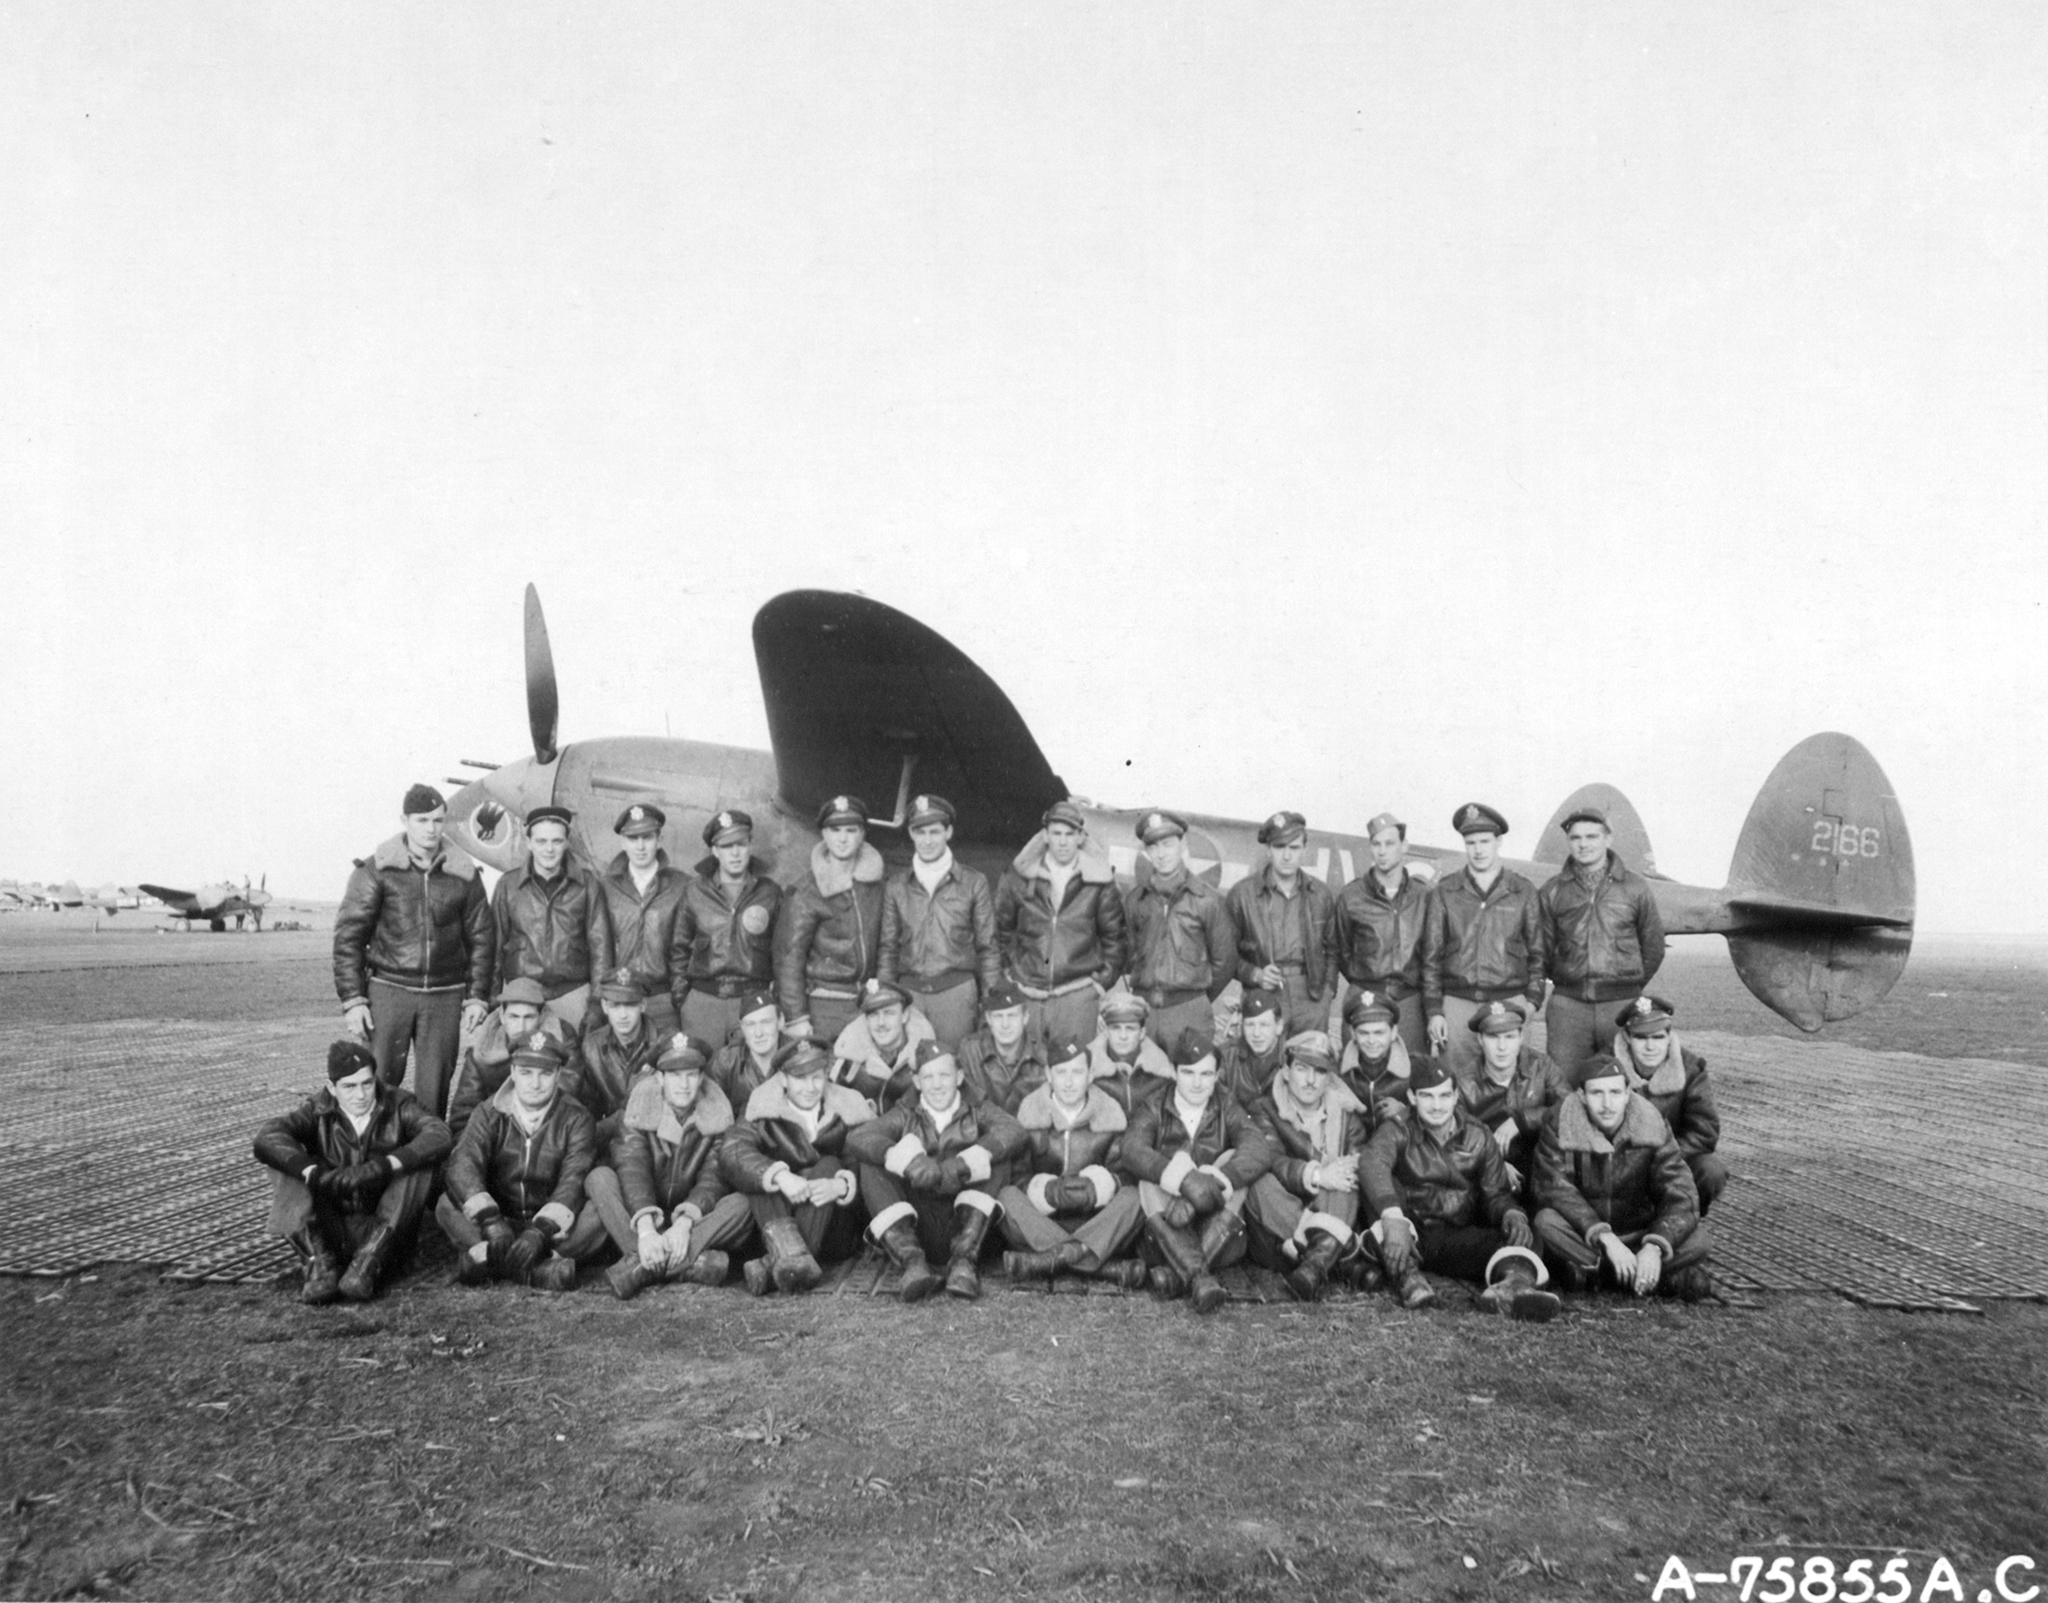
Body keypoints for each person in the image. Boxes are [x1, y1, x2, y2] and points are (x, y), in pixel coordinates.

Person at [332, 783, 495, 1121]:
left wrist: (478, 996)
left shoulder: (463, 873)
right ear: (404, 820)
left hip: (445, 996)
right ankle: (371, 1165)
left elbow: (481, 938)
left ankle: (427, 1168)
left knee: (434, 1093)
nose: (431, 829)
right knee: (374, 1084)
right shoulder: (375, 870)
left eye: (438, 821)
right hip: (389, 990)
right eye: (422, 820)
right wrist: (353, 1000)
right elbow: (349, 937)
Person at [1358, 1055, 1559, 1320]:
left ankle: (1511, 1288)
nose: (1437, 1105)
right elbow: (1372, 1162)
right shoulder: (1397, 1128)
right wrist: (1394, 1218)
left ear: (1455, 1096)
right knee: (1381, 1193)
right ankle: (1408, 1278)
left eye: (1444, 1096)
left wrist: (1511, 1214)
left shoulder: (1478, 1134)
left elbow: (1495, 1194)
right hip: (1409, 1234)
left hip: (1456, 1235)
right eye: (1427, 1097)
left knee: (1526, 1231)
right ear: (1412, 1097)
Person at [253, 1040, 452, 1304]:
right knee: (284, 1163)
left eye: (367, 1084)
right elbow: (267, 1137)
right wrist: (312, 1172)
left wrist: (382, 1166)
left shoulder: (399, 1103)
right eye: (349, 1086)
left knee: (420, 1163)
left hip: (384, 1231)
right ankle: (319, 1265)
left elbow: (439, 1134)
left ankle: (367, 1265)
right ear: (331, 1088)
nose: (360, 1095)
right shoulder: (317, 1109)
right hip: (331, 1225)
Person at [844, 1042, 1027, 1301]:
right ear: (917, 1081)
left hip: (967, 1226)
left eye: (944, 1075)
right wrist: (908, 1161)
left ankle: (964, 1262)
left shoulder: (977, 1107)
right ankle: (911, 1261)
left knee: (997, 1158)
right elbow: (859, 1136)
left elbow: (1014, 1130)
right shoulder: (905, 1112)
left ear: (959, 1077)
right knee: (872, 1162)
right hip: (919, 1225)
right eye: (928, 1077)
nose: (937, 1084)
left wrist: (963, 1164)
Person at [1120, 1029, 1277, 1315]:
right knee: (1148, 1177)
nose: (1196, 1083)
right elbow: (1130, 1148)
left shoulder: (1225, 1103)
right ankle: (1199, 1276)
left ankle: (1182, 1276)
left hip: (1218, 1232)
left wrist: (1214, 1180)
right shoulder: (1154, 1105)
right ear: (1173, 1072)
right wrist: (1182, 1178)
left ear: (1217, 1076)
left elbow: (1258, 1147)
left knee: (1234, 1159)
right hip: (1165, 1234)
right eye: (1188, 1073)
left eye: (1206, 1075)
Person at [585, 1034, 752, 1299]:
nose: (684, 1085)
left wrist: (685, 1224)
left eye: (691, 1075)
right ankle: (681, 1261)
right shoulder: (639, 1105)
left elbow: (714, 1177)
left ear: (701, 1078)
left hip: (692, 1222)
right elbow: (632, 1169)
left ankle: (643, 1266)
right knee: (599, 1178)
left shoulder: (718, 1111)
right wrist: (647, 1230)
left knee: (741, 1204)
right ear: (660, 1078)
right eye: (675, 1076)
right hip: (644, 1218)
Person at [437, 1033, 606, 1291]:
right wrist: (491, 1220)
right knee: (446, 1204)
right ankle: (536, 1272)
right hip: (500, 1219)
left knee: (596, 1212)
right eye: (526, 1073)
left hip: (552, 1229)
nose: (535, 1083)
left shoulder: (577, 1117)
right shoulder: (488, 1111)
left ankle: (492, 1262)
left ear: (559, 1074)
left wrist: (540, 1231)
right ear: (513, 1072)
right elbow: (463, 1162)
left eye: (545, 1074)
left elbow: (574, 1177)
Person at [722, 1039, 876, 1295]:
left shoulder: (849, 1106)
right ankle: (790, 1259)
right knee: (759, 1174)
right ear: (783, 1079)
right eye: (799, 1079)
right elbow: (732, 1151)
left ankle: (774, 1261)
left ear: (827, 1076)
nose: (810, 1087)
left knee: (829, 1163)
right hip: (781, 1214)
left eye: (817, 1078)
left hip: (834, 1230)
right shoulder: (763, 1107)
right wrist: (781, 1177)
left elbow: (869, 1155)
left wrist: (842, 1184)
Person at [996, 1035, 1148, 1289]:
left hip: (1097, 1222)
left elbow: (1125, 1175)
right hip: (1044, 1224)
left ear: (1090, 1076)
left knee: (1135, 1197)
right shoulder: (1029, 1113)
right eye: (1061, 1072)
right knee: (1005, 1196)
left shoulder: (1110, 1115)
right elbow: (1016, 1175)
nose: (1068, 1082)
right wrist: (1044, 1190)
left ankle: (1055, 1258)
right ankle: (1098, 1266)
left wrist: (1101, 1185)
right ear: (1048, 1074)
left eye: (1077, 1072)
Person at [1244, 1032, 1370, 1302]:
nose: (1311, 1081)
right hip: (1282, 1222)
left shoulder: (1346, 1115)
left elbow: (1357, 1160)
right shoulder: (1264, 1108)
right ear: (1287, 1072)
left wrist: (1338, 1173)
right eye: (1302, 1069)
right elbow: (1272, 1159)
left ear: (1329, 1078)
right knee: (1260, 1183)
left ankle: (1313, 1265)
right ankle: (1336, 1258)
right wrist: (1316, 1174)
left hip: (1329, 1205)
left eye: (1320, 1072)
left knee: (1347, 1180)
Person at [1538, 807, 1666, 1072]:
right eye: (1576, 838)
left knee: (1624, 1083)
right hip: (1568, 1008)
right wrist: (1567, 980)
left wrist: (1626, 986)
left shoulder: (1635, 888)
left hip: (1620, 1006)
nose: (1584, 844)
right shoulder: (1552, 890)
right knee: (1563, 1085)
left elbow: (1653, 947)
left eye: (1592, 836)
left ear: (1608, 839)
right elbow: (1541, 949)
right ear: (1569, 842)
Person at [1423, 804, 1545, 1079]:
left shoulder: (1522, 891)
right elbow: (1431, 957)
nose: (1478, 850)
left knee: (1511, 1084)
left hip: (1510, 1001)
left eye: (1485, 842)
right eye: (1471, 843)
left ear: (1498, 841)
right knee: (1454, 1081)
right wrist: (1434, 1010)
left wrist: (1532, 1002)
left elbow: (1539, 955)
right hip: (1458, 1003)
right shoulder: (1445, 891)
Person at [994, 799, 1128, 1045]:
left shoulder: (1099, 881)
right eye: (1056, 834)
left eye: (1069, 834)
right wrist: (1008, 975)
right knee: (1030, 1072)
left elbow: (1116, 939)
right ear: (1045, 835)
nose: (1063, 841)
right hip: (1027, 993)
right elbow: (1000, 930)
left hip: (1077, 995)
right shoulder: (1019, 877)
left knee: (1073, 1073)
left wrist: (1098, 986)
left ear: (1080, 837)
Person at [876, 794, 1000, 1051]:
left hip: (955, 994)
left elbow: (988, 949)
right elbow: (888, 948)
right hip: (909, 994)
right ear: (911, 833)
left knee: (954, 1066)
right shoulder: (897, 886)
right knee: (910, 1070)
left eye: (935, 831)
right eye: (920, 832)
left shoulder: (973, 883)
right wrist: (885, 1002)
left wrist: (992, 1003)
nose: (928, 840)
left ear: (949, 831)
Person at [492, 804, 612, 1043]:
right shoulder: (508, 885)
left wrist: (597, 1003)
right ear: (529, 843)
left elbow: (601, 948)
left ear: (567, 842)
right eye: (541, 841)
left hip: (571, 993)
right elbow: (493, 946)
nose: (549, 849)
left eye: (556, 841)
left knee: (572, 1066)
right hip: (523, 995)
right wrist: (492, 999)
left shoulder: (587, 885)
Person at [774, 794, 886, 1048]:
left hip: (866, 1003)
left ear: (863, 834)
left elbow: (887, 945)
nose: (843, 838)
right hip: (823, 1004)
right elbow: (789, 959)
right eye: (835, 830)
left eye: (851, 830)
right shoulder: (805, 891)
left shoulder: (878, 887)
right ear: (824, 834)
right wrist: (796, 1017)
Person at [1121, 811, 1239, 1052]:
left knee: (1191, 1084)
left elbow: (1225, 961)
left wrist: (1196, 998)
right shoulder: (1137, 900)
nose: (1161, 854)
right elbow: (1130, 954)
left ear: (1183, 845)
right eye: (1153, 847)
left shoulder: (1207, 899)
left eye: (1167, 844)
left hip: (1189, 1010)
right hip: (1144, 1010)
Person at [672, 809, 784, 1050]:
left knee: (748, 1075)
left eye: (741, 844)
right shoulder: (694, 892)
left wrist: (772, 1002)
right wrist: (684, 1000)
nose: (735, 853)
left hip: (752, 1000)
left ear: (750, 845)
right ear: (715, 851)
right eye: (726, 846)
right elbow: (678, 949)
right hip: (704, 1002)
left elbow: (784, 953)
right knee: (702, 1075)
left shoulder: (770, 893)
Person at [1226, 811, 1338, 1033]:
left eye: (1294, 848)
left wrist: (1327, 993)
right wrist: (1255, 974)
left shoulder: (1320, 894)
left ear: (1304, 850)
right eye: (1279, 847)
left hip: (1310, 995)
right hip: (1263, 994)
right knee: (1265, 1063)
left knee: (1308, 1063)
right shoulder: (1242, 894)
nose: (1287, 856)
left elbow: (1334, 950)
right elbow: (1226, 954)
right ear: (1268, 849)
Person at [1611, 996, 1726, 1214]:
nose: (1650, 1046)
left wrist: (1665, 1159)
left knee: (1711, 1170)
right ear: (1627, 1037)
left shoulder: (1690, 1068)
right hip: (1622, 1164)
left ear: (1669, 1036)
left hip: (1675, 1159)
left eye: (1658, 1037)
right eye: (1641, 1037)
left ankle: (1684, 1220)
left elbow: (1705, 1130)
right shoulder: (1606, 1067)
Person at [1333, 811, 1431, 1057]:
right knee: (1358, 1072)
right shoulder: (1352, 896)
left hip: (1409, 1000)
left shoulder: (1424, 896)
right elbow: (1340, 949)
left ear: (1404, 846)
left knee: (1411, 1070)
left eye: (1390, 843)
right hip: (1366, 996)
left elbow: (1432, 951)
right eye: (1377, 844)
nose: (1382, 851)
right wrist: (1365, 979)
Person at [1454, 1000, 1570, 1199]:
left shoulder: (1541, 1066)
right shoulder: (1464, 1083)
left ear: (1521, 1038)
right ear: (1480, 1040)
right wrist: (1494, 1165)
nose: (1502, 1047)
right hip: (1489, 1174)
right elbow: (1456, 1140)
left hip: (1542, 1165)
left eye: (1509, 1037)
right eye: (1493, 1037)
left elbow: (1570, 1107)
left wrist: (1523, 1120)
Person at [595, 803, 689, 1035]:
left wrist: (678, 998)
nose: (640, 846)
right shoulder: (606, 887)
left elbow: (687, 947)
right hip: (621, 1000)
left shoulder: (682, 885)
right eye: (633, 838)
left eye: (647, 837)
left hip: (663, 999)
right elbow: (599, 947)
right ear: (622, 842)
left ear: (660, 839)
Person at [445, 977, 575, 1142]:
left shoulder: (563, 1039)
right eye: (514, 1017)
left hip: (548, 1137)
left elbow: (568, 1098)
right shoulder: (484, 1048)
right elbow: (463, 1116)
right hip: (496, 1138)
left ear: (541, 1016)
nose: (521, 1027)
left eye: (529, 1017)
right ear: (501, 1016)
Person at [565, 968, 663, 1146]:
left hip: (652, 1140)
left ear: (643, 1005)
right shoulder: (591, 1046)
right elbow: (588, 1105)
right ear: (604, 1007)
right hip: (607, 1140)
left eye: (630, 1005)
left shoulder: (663, 1043)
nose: (623, 1015)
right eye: (615, 1006)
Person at [829, 978, 935, 1109]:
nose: (881, 1023)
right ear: (866, 1019)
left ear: (904, 1015)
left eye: (889, 1013)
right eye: (873, 1015)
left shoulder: (924, 1058)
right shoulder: (849, 1058)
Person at [956, 981, 1049, 1114]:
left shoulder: (1043, 1056)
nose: (1005, 1024)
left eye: (1012, 1015)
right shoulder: (970, 1051)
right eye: (998, 1016)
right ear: (988, 1019)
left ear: (1025, 1018)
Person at [1086, 990, 1174, 1119]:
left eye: (1130, 1028)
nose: (1123, 1036)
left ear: (1142, 1033)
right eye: (1116, 1028)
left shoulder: (1161, 1075)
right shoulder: (1087, 1073)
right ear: (1106, 1031)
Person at [1337, 989, 1417, 1125]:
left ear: (1393, 1032)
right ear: (1353, 1033)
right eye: (1364, 1033)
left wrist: (1406, 1111)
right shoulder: (1338, 1069)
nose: (1371, 1041)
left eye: (1379, 1033)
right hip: (1355, 1141)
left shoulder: (1415, 1067)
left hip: (1400, 1140)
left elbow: (1438, 1110)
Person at [708, 987, 785, 1111]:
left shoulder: (797, 1056)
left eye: (766, 1022)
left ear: (780, 1021)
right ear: (742, 1027)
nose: (759, 1033)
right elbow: (713, 1112)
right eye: (750, 1024)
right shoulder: (727, 1061)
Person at [1219, 987, 1288, 1108]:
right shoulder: (1226, 1057)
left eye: (1264, 1025)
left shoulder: (1292, 1059)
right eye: (1250, 1025)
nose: (1256, 1033)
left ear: (1279, 1027)